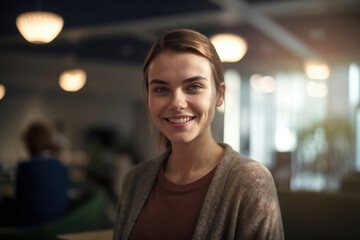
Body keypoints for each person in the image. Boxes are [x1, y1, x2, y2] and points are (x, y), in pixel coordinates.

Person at [113, 29, 284, 240]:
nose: (177, 102)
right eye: (161, 89)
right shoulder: (135, 180)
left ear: (219, 95)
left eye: (193, 87)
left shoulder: (249, 181)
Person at [15, 121, 70, 227]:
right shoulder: (61, 165)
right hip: (58, 224)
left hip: (30, 227)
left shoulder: (25, 166)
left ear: (28, 143)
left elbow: (19, 200)